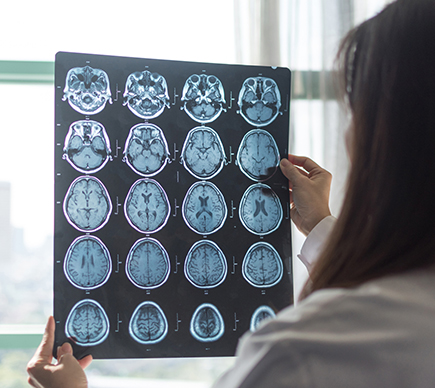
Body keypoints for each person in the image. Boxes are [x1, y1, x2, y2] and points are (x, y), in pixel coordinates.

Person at [27, 0, 435, 386]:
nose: (348, 133)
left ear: (387, 140)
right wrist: (320, 226)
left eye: (355, 112)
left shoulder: (301, 352)